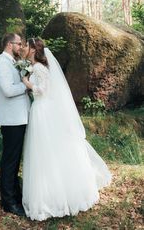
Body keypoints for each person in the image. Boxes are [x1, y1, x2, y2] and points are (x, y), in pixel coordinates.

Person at [21, 38, 112, 221]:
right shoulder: (35, 66)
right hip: (42, 110)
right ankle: (53, 193)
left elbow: (43, 90)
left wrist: (26, 83)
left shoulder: (38, 67)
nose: (23, 48)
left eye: (26, 46)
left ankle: (51, 198)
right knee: (47, 152)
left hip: (42, 111)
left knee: (44, 152)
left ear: (32, 50)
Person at [0, 33, 30, 217]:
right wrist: (27, 86)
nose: (20, 46)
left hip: (19, 118)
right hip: (12, 120)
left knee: (15, 161)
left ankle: (15, 195)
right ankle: (8, 202)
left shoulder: (12, 62)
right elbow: (8, 90)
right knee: (10, 161)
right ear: (9, 44)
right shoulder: (2, 63)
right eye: (18, 44)